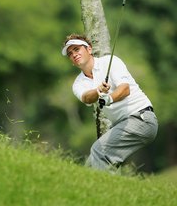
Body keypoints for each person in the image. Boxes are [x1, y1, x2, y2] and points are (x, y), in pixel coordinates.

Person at [62, 34, 158, 171]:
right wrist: (98, 90)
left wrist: (109, 98)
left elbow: (125, 89)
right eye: (70, 54)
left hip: (141, 118)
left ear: (89, 49)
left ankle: (101, 192)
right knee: (90, 166)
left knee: (99, 151)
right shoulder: (78, 83)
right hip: (123, 124)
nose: (74, 54)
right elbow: (86, 98)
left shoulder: (110, 61)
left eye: (77, 49)